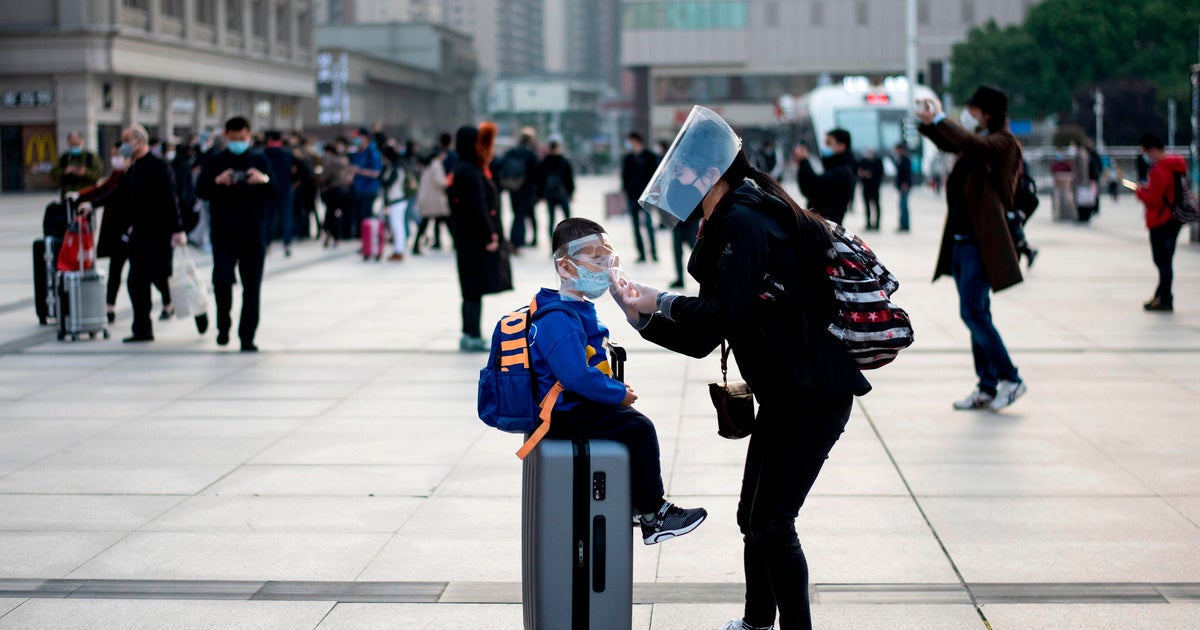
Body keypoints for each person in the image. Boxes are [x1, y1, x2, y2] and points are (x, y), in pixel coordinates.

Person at [613, 106, 870, 630]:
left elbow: (724, 313)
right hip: (788, 393)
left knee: (773, 522)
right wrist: (638, 316)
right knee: (752, 518)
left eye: (683, 170)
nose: (677, 179)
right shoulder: (731, 218)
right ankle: (756, 623)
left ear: (710, 174)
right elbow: (707, 337)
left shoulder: (745, 222)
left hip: (812, 394)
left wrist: (659, 298)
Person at [534, 218, 707, 544]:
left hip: (572, 407)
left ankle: (635, 501)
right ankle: (655, 514)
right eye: (596, 260)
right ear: (566, 268)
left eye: (608, 259)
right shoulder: (557, 317)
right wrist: (616, 394)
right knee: (638, 428)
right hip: (561, 415)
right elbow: (575, 375)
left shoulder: (575, 307)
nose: (606, 268)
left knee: (629, 427)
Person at [917, 86, 1026, 412]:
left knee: (973, 313)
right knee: (979, 312)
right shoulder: (979, 143)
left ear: (987, 113)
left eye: (973, 110)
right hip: (964, 243)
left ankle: (1011, 378)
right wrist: (930, 123)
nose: (969, 116)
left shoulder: (1001, 143)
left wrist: (940, 117)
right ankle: (987, 386)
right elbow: (955, 142)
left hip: (981, 245)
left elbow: (968, 143)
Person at [195, 116, 277, 352]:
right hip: (223, 233)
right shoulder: (215, 161)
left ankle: (247, 336)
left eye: (242, 139)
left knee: (252, 288)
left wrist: (262, 179)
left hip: (253, 233)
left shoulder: (259, 160)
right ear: (226, 136)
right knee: (222, 281)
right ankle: (223, 326)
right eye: (233, 139)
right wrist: (218, 181)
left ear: (249, 136)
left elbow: (275, 190)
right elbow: (201, 190)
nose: (238, 143)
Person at [105, 124, 186, 342]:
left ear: (139, 141)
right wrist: (89, 204)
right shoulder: (132, 168)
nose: (123, 146)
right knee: (136, 281)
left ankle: (196, 310)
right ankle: (142, 329)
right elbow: (117, 195)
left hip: (159, 234)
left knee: (160, 277)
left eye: (126, 140)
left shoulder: (160, 167)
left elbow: (171, 199)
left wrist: (177, 229)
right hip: (139, 234)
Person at [447, 122, 503, 352]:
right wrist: (489, 235)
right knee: (473, 289)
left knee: (470, 290)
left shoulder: (461, 167)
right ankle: (472, 335)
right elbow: (478, 207)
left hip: (465, 237)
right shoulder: (470, 172)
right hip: (475, 239)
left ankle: (469, 333)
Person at [1135, 132, 1186, 312]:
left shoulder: (1159, 170)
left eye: (1147, 153)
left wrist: (1140, 192)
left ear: (1153, 150)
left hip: (1161, 220)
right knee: (1166, 260)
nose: (1146, 157)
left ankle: (1165, 298)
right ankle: (1161, 295)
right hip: (1175, 218)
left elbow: (1154, 200)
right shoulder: (1176, 164)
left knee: (1162, 261)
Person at [793, 128, 857, 225]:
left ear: (841, 146)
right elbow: (810, 190)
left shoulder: (843, 171)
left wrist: (804, 162)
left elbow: (815, 186)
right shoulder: (831, 166)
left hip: (828, 226)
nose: (825, 146)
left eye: (829, 143)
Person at [620, 131, 659, 262]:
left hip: (646, 196)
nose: (628, 145)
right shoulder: (628, 158)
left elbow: (655, 175)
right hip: (632, 196)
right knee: (635, 226)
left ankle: (653, 252)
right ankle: (641, 253)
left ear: (636, 141)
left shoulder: (649, 156)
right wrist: (625, 190)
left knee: (648, 225)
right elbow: (624, 177)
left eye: (629, 142)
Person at [499, 130, 541, 248]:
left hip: (513, 188)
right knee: (526, 215)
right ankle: (522, 239)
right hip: (527, 189)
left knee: (517, 214)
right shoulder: (531, 154)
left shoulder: (511, 152)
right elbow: (536, 173)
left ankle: (519, 238)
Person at [413, 138, 452, 255]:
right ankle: (456, 243)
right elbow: (439, 181)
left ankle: (418, 245)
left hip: (427, 198)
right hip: (435, 199)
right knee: (447, 221)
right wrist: (448, 181)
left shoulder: (427, 165)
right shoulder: (436, 164)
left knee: (426, 223)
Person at [262, 131, 297, 256]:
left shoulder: (264, 154)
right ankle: (287, 244)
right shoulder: (288, 154)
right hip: (285, 189)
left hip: (269, 189)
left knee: (268, 218)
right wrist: (294, 182)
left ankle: (267, 244)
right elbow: (301, 170)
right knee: (286, 218)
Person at [535, 139, 575, 244]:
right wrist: (571, 193)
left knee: (551, 220)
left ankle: (553, 243)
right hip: (563, 194)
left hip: (550, 195)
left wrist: (540, 195)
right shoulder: (564, 161)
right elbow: (569, 179)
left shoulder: (544, 162)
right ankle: (568, 241)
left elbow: (539, 180)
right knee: (567, 219)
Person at [319, 138, 354, 246]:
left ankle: (333, 235)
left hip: (334, 190)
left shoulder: (330, 162)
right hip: (346, 190)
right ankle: (344, 234)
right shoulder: (345, 160)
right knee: (344, 214)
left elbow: (325, 177)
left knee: (330, 214)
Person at [349, 127, 383, 238]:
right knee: (359, 216)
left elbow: (376, 172)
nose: (356, 139)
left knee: (366, 216)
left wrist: (359, 171)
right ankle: (363, 240)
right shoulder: (358, 152)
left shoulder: (373, 153)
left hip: (369, 189)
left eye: (358, 137)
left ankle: (368, 240)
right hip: (359, 189)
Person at [51, 131, 103, 196]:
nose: (74, 146)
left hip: (87, 194)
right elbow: (53, 174)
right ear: (68, 143)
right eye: (72, 143)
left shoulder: (90, 156)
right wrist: (65, 171)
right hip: (67, 193)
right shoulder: (64, 157)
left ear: (82, 141)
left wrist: (85, 172)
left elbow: (99, 173)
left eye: (77, 143)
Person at [380, 145, 409, 261]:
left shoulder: (396, 168)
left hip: (397, 200)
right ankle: (398, 250)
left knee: (397, 227)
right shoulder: (397, 166)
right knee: (397, 226)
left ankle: (399, 251)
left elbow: (387, 183)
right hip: (397, 200)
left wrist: (382, 174)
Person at [856, 148, 884, 230]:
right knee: (867, 206)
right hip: (866, 187)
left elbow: (880, 173)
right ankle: (868, 223)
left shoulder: (878, 161)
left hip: (875, 187)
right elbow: (859, 171)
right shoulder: (863, 161)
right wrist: (863, 174)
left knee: (876, 205)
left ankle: (877, 223)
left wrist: (871, 174)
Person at [892, 142, 913, 232]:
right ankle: (903, 224)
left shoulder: (905, 159)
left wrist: (905, 183)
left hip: (904, 185)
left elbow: (906, 172)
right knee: (902, 205)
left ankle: (905, 225)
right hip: (902, 185)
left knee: (903, 205)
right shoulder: (901, 158)